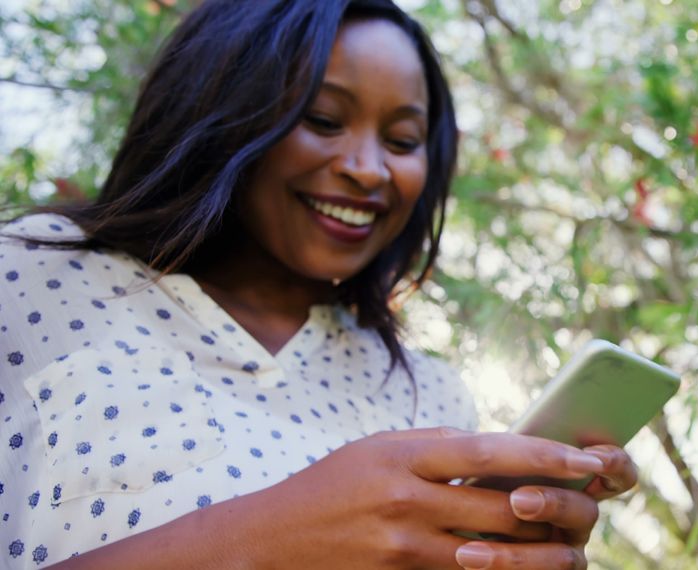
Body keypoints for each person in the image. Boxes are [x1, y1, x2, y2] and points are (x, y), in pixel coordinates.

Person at [0, 1, 637, 568]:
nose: (367, 168)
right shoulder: (27, 277)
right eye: (325, 119)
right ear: (221, 105)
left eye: (402, 139)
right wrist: (263, 538)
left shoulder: (433, 393)